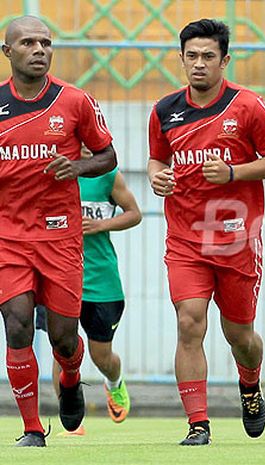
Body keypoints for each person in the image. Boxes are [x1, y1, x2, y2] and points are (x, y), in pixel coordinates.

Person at [148, 18, 265, 446]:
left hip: (236, 239)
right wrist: (158, 177)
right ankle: (198, 424)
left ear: (225, 60)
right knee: (189, 323)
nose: (199, 64)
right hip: (185, 239)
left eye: (209, 56)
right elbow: (157, 160)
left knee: (239, 335)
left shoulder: (247, 107)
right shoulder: (164, 110)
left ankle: (250, 386)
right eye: (191, 56)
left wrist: (233, 172)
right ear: (181, 59)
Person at [0, 16, 117, 447]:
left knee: (65, 336)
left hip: (61, 236)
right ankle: (32, 428)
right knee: (17, 326)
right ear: (7, 51)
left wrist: (78, 166)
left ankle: (70, 376)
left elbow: (107, 156)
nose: (39, 50)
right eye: (28, 42)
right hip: (8, 236)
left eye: (46, 43)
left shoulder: (75, 101)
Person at [34, 144, 142, 435]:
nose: (82, 144)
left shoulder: (107, 175)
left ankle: (115, 382)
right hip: (59, 276)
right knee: (63, 346)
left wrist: (102, 224)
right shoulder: (52, 173)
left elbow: (134, 213)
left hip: (101, 282)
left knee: (100, 355)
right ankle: (70, 419)